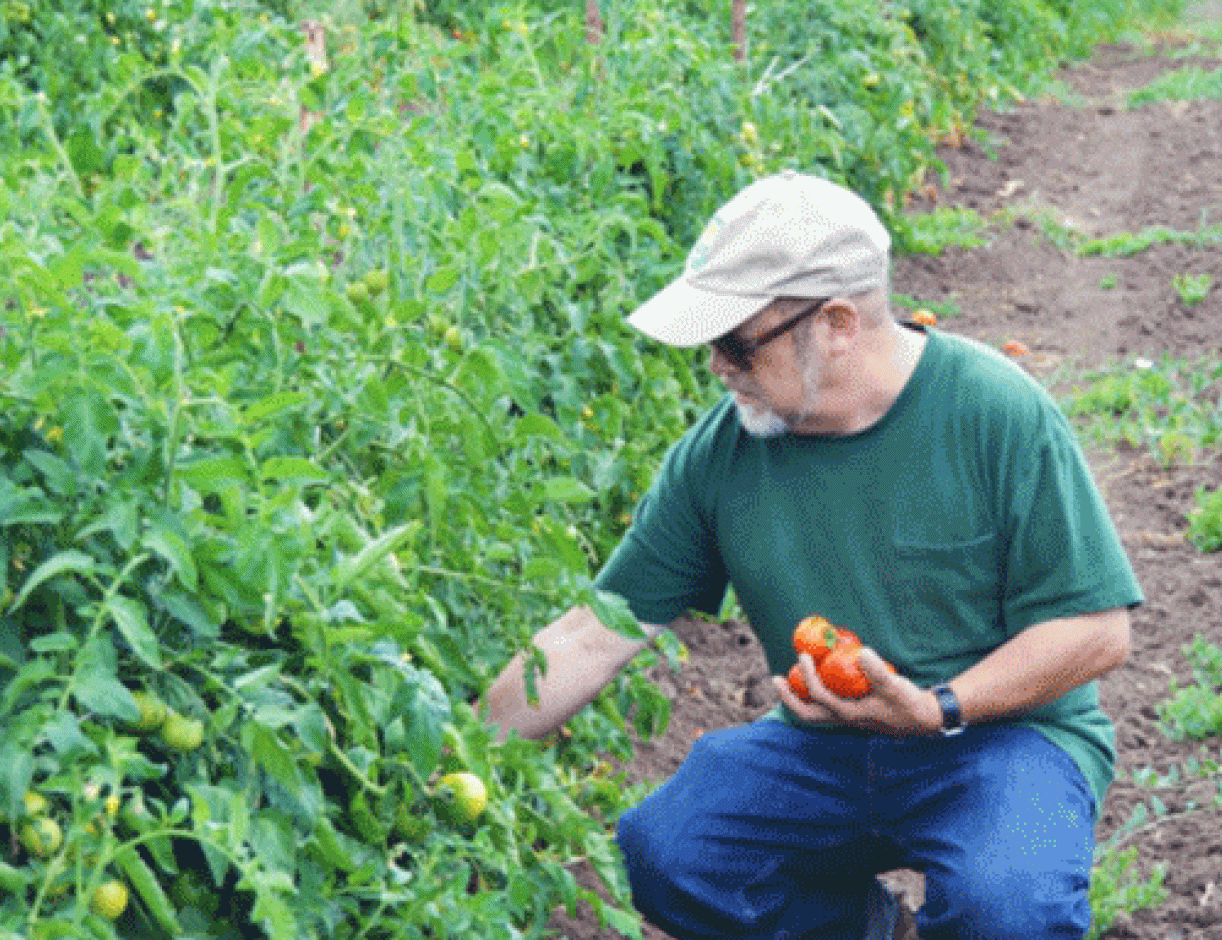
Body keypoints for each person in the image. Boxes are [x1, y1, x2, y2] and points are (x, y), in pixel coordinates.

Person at [480, 170, 1143, 940]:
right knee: (668, 854)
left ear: (834, 323)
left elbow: (1097, 631)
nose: (720, 369)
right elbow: (592, 633)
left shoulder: (995, 412)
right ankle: (866, 930)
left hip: (1000, 740)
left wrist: (937, 708)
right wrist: (451, 761)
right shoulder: (722, 454)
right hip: (824, 749)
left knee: (1008, 907)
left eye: (738, 344)